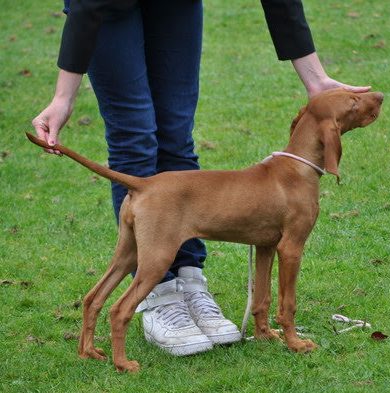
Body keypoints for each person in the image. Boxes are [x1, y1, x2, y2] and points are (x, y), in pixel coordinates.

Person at [32, 0, 371, 356]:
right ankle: (160, 291)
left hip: (175, 8)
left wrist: (316, 79)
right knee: (134, 136)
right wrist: (63, 96)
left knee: (177, 134)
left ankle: (188, 279)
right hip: (105, 6)